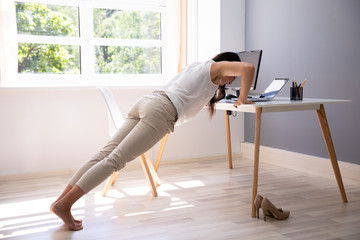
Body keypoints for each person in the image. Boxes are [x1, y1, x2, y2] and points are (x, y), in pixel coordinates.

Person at [50, 52, 255, 230]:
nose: (231, 82)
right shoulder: (216, 67)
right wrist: (243, 98)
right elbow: (248, 67)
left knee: (104, 155)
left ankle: (60, 202)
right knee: (115, 160)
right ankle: (65, 205)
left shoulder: (198, 68)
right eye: (233, 78)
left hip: (147, 102)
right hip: (160, 111)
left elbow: (190, 96)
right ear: (228, 64)